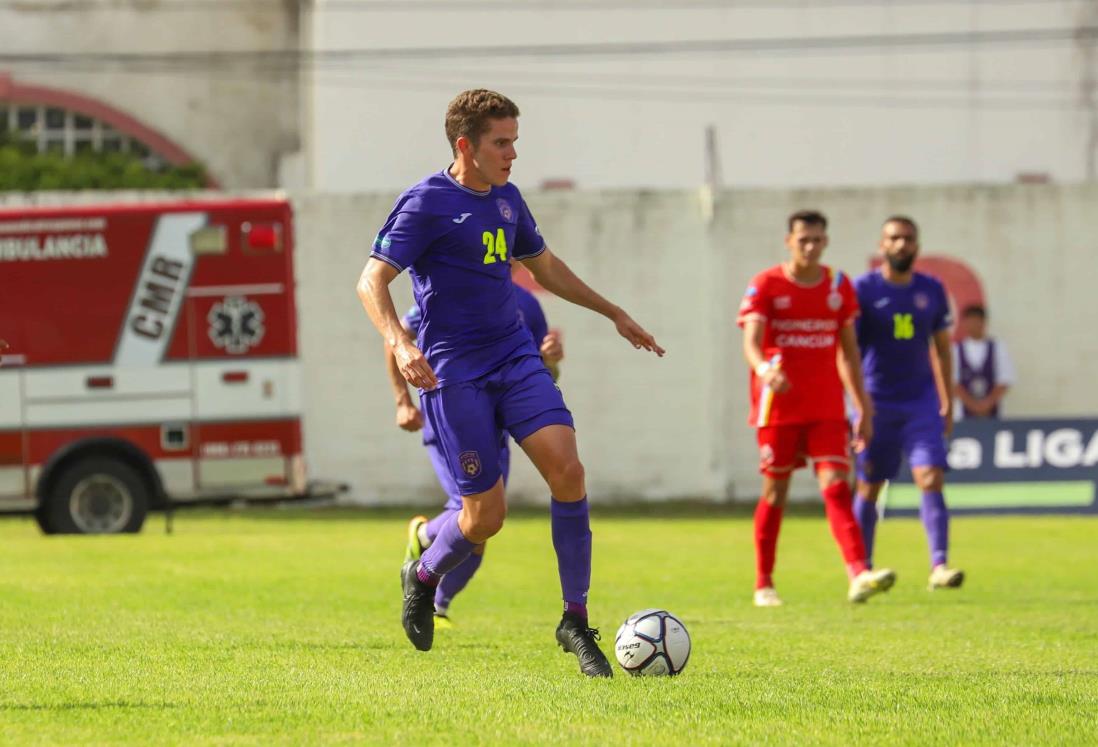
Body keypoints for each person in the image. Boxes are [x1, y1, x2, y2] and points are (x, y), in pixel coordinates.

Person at [356, 89, 663, 677]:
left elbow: (545, 267)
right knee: (484, 519)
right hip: (455, 374)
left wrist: (613, 312)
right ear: (465, 145)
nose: (513, 153)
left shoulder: (507, 199)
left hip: (514, 359)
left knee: (568, 471)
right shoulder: (426, 202)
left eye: (515, 141)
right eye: (502, 142)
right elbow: (371, 282)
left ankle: (575, 619)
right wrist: (400, 343)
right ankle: (422, 574)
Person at [737, 210, 895, 607]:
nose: (810, 246)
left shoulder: (838, 284)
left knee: (838, 487)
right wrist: (764, 371)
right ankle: (763, 582)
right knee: (775, 493)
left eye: (817, 240)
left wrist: (862, 406)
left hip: (825, 406)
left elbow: (848, 351)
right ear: (788, 241)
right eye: (802, 239)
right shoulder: (766, 285)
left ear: (826, 241)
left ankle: (859, 574)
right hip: (779, 407)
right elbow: (752, 343)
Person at [389, 279, 564, 628]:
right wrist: (402, 401)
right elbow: (396, 339)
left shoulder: (527, 304)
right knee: (469, 513)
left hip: (496, 427)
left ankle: (435, 593)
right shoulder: (449, 288)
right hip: (452, 416)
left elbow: (543, 373)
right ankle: (428, 568)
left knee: (483, 526)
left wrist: (550, 359)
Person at [851, 216, 964, 591]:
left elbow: (942, 350)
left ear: (917, 244)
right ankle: (862, 571)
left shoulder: (931, 289)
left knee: (930, 476)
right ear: (882, 245)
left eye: (908, 238)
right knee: (870, 484)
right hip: (876, 401)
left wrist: (946, 400)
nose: (901, 245)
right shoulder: (863, 289)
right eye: (894, 238)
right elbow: (847, 352)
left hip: (921, 402)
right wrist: (858, 405)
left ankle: (939, 566)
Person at [953, 304, 1015, 420]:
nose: (973, 325)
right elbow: (953, 383)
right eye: (969, 321)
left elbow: (1005, 379)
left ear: (984, 322)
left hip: (993, 414)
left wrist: (987, 404)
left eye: (976, 320)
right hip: (962, 415)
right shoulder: (956, 350)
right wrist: (973, 406)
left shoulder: (998, 347)